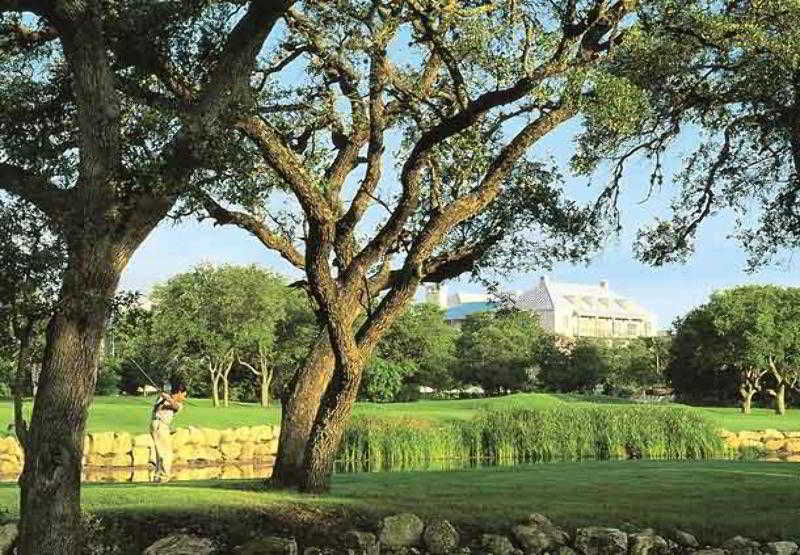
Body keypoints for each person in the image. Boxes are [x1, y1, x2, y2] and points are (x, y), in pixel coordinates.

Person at [150, 383, 186, 483]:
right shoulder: (162, 399)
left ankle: (158, 477)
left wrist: (168, 398)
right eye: (184, 395)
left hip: (162, 426)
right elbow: (156, 408)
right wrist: (163, 397)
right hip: (158, 425)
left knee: (161, 452)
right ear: (179, 392)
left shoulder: (179, 405)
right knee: (164, 453)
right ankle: (163, 477)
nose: (184, 398)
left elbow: (175, 406)